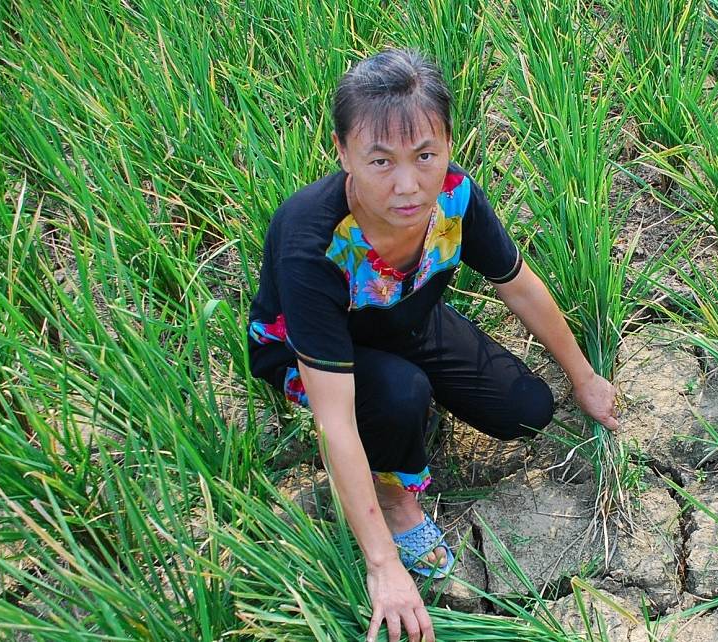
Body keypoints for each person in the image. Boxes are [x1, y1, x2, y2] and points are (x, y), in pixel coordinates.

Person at [247, 48, 619, 642]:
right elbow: (336, 422)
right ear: (342, 153)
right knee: (398, 392)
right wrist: (382, 564)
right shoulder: (311, 242)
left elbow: (518, 286)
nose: (407, 184)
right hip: (309, 352)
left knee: (528, 412)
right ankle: (398, 500)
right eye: (380, 160)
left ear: (448, 142)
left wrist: (581, 376)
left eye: (425, 155)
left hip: (409, 318)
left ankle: (408, 412)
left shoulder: (455, 198)